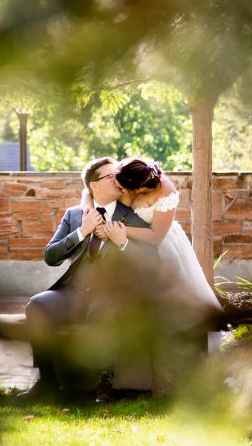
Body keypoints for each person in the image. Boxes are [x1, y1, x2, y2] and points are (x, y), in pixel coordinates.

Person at [19, 157, 157, 402]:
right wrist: (82, 231)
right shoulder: (74, 215)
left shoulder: (133, 214)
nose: (118, 179)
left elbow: (149, 262)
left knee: (105, 312)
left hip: (111, 294)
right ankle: (47, 383)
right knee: (37, 306)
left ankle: (105, 383)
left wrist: (121, 241)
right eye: (111, 176)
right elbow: (50, 256)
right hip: (73, 293)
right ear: (94, 186)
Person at [84, 157, 223, 324]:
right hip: (129, 240)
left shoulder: (166, 193)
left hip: (160, 240)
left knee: (168, 295)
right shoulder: (126, 172)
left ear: (141, 187)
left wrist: (117, 230)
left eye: (123, 189)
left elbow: (156, 236)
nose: (120, 190)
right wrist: (92, 212)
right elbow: (89, 191)